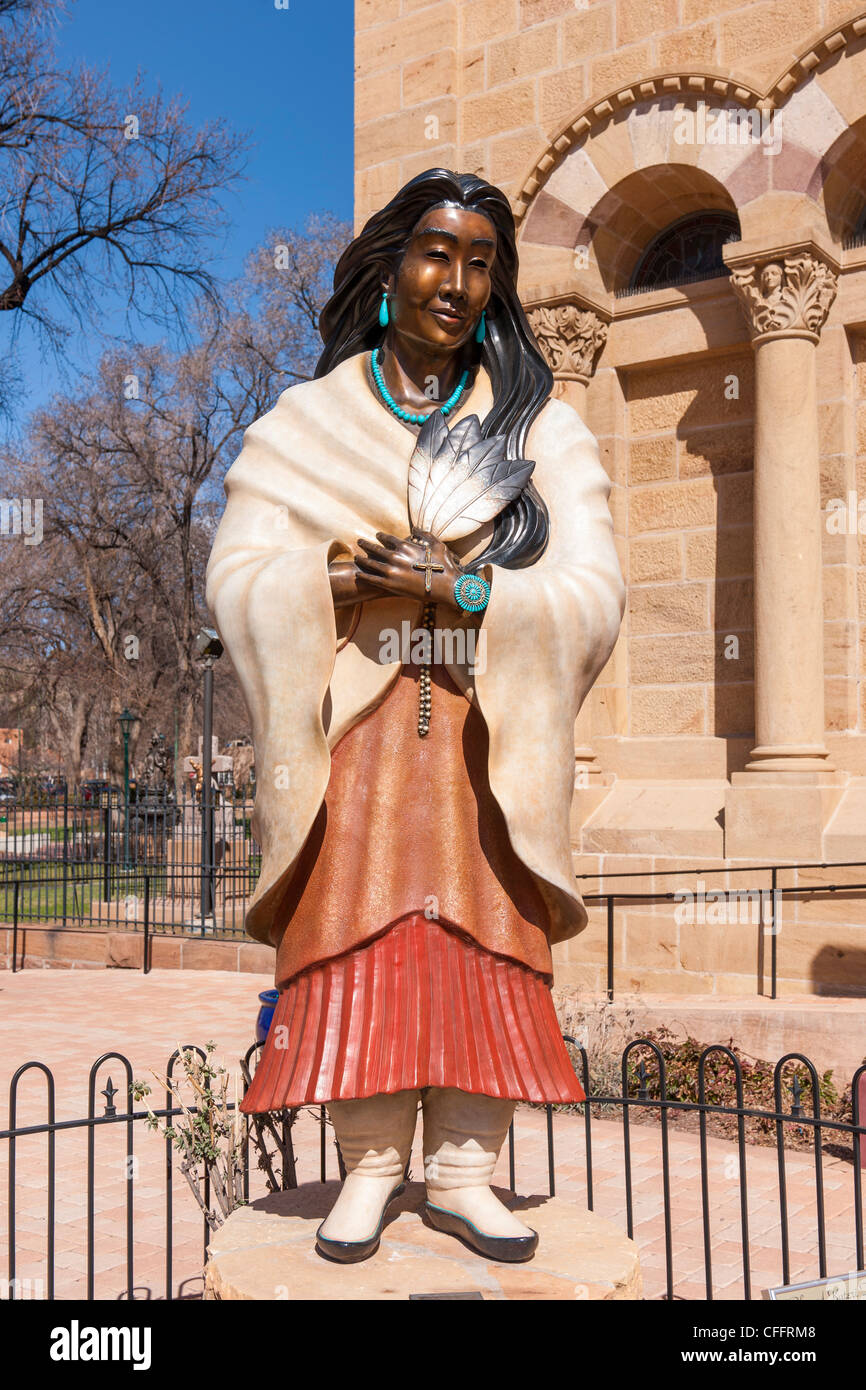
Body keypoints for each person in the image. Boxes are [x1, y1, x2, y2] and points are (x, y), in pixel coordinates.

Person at [206, 168, 625, 1264]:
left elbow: (593, 592)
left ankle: (464, 1174)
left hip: (488, 743)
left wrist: (469, 591)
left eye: (481, 261)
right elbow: (238, 578)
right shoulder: (309, 424)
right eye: (437, 253)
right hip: (363, 744)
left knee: (484, 940)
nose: (457, 280)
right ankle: (372, 1168)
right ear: (388, 271)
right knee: (360, 938)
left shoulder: (542, 430)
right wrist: (343, 577)